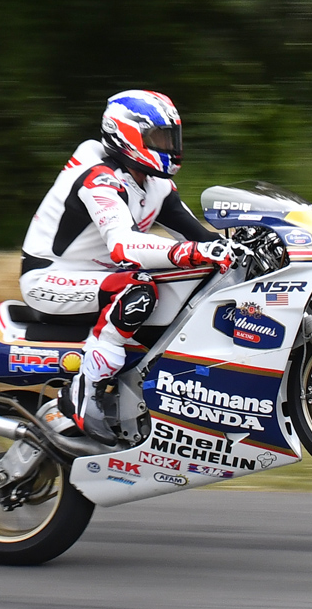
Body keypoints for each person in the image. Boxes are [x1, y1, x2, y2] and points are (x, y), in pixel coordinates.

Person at [20, 90, 237, 444]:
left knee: (188, 279)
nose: (169, 147)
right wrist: (194, 252)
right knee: (136, 289)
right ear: (127, 134)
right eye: (160, 138)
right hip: (50, 276)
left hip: (96, 276)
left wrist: (238, 248)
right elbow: (123, 245)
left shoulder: (155, 184)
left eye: (171, 138)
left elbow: (198, 234)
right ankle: (84, 390)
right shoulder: (100, 179)